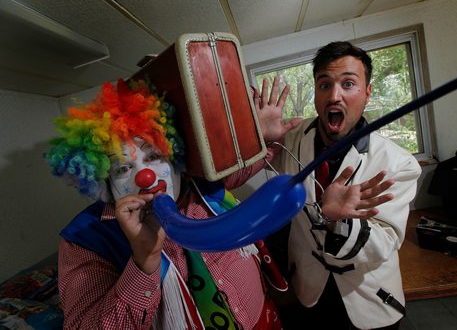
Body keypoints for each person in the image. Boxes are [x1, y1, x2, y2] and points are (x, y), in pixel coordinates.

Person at [46, 68, 394, 329]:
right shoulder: (83, 240)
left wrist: (264, 138)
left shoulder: (203, 184)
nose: (145, 176)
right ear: (101, 180)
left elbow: (246, 165)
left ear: (176, 157)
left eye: (154, 157)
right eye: (122, 169)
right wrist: (143, 263)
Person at [262, 41, 422, 329]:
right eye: (324, 85)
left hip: (368, 299)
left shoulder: (399, 163)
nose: (334, 96)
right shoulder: (293, 135)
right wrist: (263, 140)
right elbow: (257, 164)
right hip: (309, 291)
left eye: (348, 84)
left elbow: (384, 243)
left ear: (367, 93)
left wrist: (339, 222)